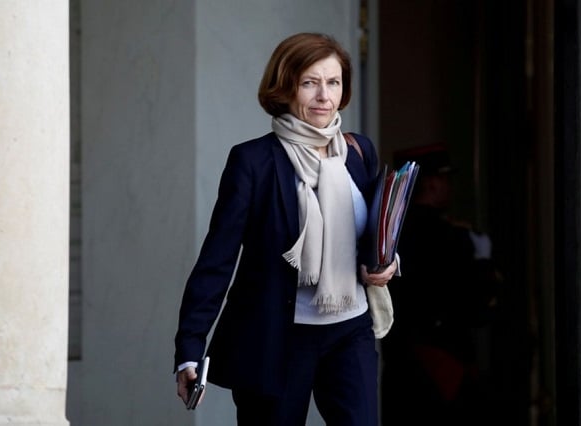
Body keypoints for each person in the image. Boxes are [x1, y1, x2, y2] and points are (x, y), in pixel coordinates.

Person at [173, 32, 397, 426]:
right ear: (285, 87)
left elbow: (369, 236)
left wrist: (385, 262)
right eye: (310, 83)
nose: (324, 96)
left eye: (333, 82)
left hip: (350, 332)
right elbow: (218, 258)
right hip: (277, 340)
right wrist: (190, 349)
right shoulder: (253, 161)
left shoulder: (359, 151)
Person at [380, 143, 502, 425]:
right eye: (444, 179)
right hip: (444, 366)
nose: (448, 187)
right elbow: (478, 306)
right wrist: (483, 263)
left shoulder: (389, 234)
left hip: (402, 366)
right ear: (432, 184)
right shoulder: (451, 237)